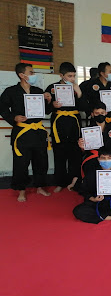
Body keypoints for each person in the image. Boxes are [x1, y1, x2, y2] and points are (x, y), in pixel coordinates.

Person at [0, 63, 53, 202]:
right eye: (31, 72)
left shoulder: (38, 90)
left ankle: (40, 187)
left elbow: (46, 111)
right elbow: (2, 108)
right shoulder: (11, 91)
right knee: (21, 163)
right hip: (22, 131)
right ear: (21, 75)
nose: (33, 75)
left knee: (41, 161)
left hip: (38, 131)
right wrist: (14, 118)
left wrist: (48, 100)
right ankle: (21, 190)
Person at [45, 62, 86, 193]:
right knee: (59, 154)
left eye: (74, 75)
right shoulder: (52, 88)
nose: (72, 79)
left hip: (74, 123)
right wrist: (52, 105)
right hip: (59, 124)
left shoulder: (76, 88)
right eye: (69, 76)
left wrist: (79, 93)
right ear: (61, 75)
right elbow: (45, 110)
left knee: (75, 153)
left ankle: (75, 180)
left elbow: (84, 108)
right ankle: (60, 182)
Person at [72, 149, 111, 224]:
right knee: (78, 211)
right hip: (96, 201)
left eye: (109, 158)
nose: (106, 160)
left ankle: (99, 216)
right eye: (103, 158)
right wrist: (93, 199)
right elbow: (84, 190)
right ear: (98, 159)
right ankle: (108, 217)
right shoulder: (92, 173)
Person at [78, 103, 111, 178]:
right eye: (97, 113)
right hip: (94, 157)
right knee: (90, 167)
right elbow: (84, 151)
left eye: (102, 113)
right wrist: (81, 147)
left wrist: (110, 157)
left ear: (106, 113)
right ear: (92, 114)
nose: (100, 115)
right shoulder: (87, 131)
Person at [86, 62, 111, 140]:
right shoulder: (91, 85)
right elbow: (86, 102)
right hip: (97, 119)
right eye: (110, 72)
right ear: (102, 73)